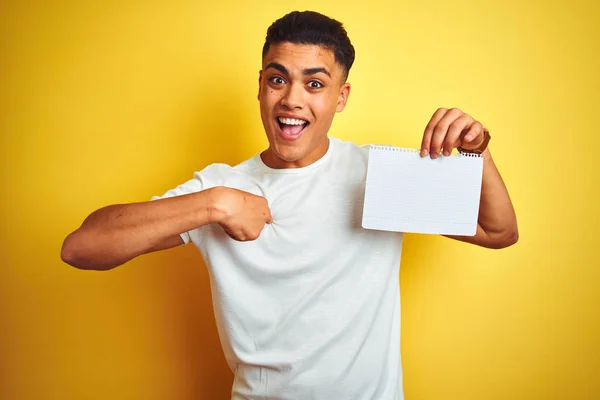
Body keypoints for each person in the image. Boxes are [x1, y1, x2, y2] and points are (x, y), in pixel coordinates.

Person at [61, 10, 518, 400]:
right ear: (260, 86)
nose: (291, 100)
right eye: (278, 79)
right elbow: (81, 247)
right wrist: (213, 205)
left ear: (341, 97)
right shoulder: (220, 186)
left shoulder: (375, 173)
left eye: (314, 83)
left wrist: (478, 153)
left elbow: (499, 233)